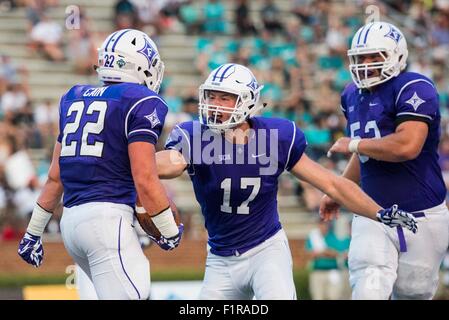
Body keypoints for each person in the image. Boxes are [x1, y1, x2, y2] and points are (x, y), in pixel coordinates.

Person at [155, 63, 417, 300]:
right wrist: (136, 167)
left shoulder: (275, 136)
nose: (215, 104)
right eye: (211, 96)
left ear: (246, 102)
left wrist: (379, 213)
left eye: (225, 98)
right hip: (220, 258)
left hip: (265, 250)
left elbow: (332, 184)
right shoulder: (194, 135)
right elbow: (172, 161)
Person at [17, 29, 183, 300]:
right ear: (139, 65)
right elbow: (144, 177)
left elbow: (55, 178)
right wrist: (168, 229)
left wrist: (33, 233)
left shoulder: (74, 96)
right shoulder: (141, 101)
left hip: (71, 225)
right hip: (107, 219)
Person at [322, 21, 449, 300]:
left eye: (373, 57)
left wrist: (354, 143)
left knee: (413, 293)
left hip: (423, 214)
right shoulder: (351, 94)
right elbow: (366, 153)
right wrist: (341, 190)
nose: (365, 64)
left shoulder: (413, 86)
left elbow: (406, 146)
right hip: (373, 212)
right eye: (359, 58)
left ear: (396, 55)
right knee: (368, 286)